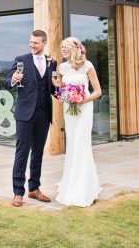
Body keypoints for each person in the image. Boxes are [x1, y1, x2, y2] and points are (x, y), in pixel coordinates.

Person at [6, 29, 58, 207]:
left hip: (44, 114)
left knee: (37, 152)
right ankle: (18, 192)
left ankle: (34, 188)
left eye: (35, 43)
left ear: (44, 43)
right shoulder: (21, 60)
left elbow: (53, 90)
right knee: (22, 152)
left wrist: (61, 90)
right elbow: (7, 83)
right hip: (25, 114)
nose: (32, 45)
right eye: (30, 42)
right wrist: (13, 79)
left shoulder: (52, 62)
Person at [52, 36, 102, 207]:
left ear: (74, 49)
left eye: (65, 47)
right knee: (72, 145)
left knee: (81, 144)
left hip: (84, 109)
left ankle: (84, 188)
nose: (63, 50)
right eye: (62, 48)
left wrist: (82, 100)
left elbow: (97, 92)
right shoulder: (63, 67)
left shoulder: (88, 66)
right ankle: (71, 183)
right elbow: (64, 89)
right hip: (69, 110)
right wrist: (58, 86)